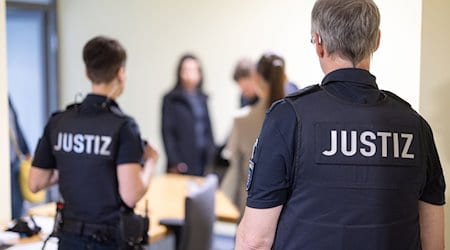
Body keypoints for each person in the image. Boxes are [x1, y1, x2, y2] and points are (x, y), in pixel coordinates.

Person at [236, 0, 446, 249]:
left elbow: (255, 241)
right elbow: (434, 244)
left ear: (319, 44)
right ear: (376, 41)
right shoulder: (416, 127)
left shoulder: (289, 118)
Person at [28, 36, 158, 249]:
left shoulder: (59, 121)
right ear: (121, 74)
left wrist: (75, 164)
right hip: (107, 240)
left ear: (87, 73)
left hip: (69, 239)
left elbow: (35, 183)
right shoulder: (124, 126)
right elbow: (131, 195)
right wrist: (151, 161)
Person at [221, 52, 286, 215]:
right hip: (287, 211)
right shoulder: (300, 117)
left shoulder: (242, 120)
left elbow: (234, 165)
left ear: (256, 78)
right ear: (284, 77)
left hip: (251, 208)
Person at [162, 54, 215, 176]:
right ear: (179, 72)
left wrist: (211, 156)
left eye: (193, 70)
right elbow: (167, 132)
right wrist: (175, 161)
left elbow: (208, 129)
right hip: (182, 162)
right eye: (186, 69)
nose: (190, 73)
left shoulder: (202, 98)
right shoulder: (171, 99)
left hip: (202, 160)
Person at [8, 96, 30, 219]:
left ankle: (17, 230)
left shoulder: (6, 98)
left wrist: (26, 150)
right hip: (5, 161)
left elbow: (15, 126)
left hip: (14, 158)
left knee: (18, 201)